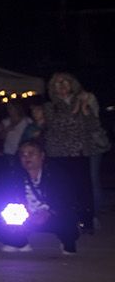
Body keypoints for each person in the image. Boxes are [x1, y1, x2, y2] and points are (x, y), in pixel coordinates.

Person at [40, 72, 105, 232]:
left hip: (80, 152)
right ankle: (64, 221)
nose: (62, 86)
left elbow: (93, 126)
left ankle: (87, 221)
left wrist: (85, 110)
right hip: (58, 153)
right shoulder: (50, 107)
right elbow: (60, 124)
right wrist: (76, 110)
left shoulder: (83, 101)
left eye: (65, 82)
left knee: (84, 188)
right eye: (57, 83)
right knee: (62, 189)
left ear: (72, 84)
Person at [0, 140, 80, 255]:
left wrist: (49, 212)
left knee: (68, 217)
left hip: (51, 214)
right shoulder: (12, 175)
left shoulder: (58, 173)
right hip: (24, 215)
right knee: (1, 214)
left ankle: (67, 241)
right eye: (23, 154)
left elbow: (67, 199)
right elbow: (3, 198)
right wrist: (24, 211)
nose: (27, 157)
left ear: (42, 156)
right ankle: (18, 241)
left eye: (31, 153)